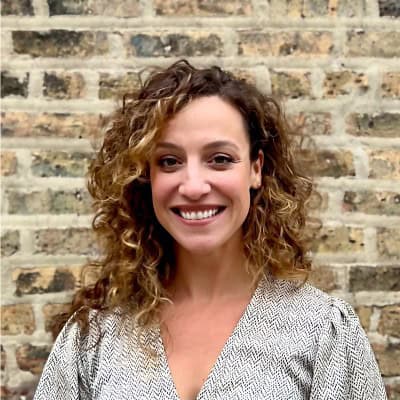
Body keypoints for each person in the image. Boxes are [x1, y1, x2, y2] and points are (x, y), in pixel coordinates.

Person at [33, 59, 387, 400]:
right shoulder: (94, 336)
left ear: (255, 168)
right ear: (146, 177)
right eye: (169, 161)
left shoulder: (321, 331)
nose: (193, 186)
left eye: (219, 159)